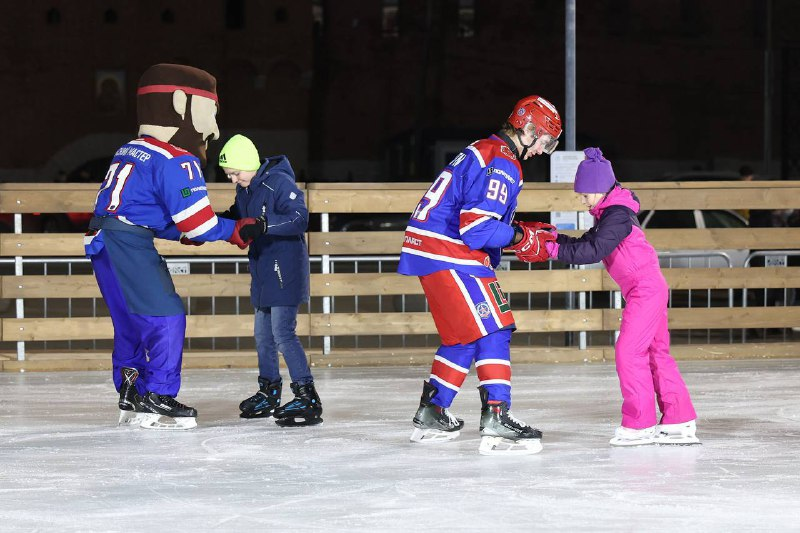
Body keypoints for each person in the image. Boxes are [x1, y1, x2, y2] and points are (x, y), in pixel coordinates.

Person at [85, 64, 263, 430]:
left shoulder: (130, 149)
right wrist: (233, 230)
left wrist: (186, 232)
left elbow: (144, 212)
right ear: (182, 105)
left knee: (131, 322)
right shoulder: (177, 159)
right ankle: (159, 394)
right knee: (166, 317)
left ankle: (131, 390)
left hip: (102, 241)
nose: (213, 129)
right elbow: (199, 223)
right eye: (210, 113)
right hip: (128, 244)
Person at [397, 95, 560, 455]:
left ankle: (433, 411)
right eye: (545, 140)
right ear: (528, 128)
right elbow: (477, 229)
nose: (542, 150)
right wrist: (520, 237)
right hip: (451, 252)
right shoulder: (503, 162)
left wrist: (515, 231)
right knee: (496, 327)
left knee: (464, 335)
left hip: (434, 250)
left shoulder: (486, 149)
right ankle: (497, 416)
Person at [545, 147, 699, 446]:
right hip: (646, 289)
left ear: (600, 188)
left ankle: (640, 425)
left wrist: (552, 250)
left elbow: (593, 251)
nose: (582, 199)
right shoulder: (611, 214)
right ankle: (679, 419)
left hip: (645, 290)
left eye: (585, 194)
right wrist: (553, 238)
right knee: (655, 353)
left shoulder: (616, 215)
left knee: (629, 352)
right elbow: (587, 242)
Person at [217, 134, 322, 427]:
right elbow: (238, 217)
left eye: (235, 173)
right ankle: (269, 391)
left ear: (248, 163)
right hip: (263, 270)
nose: (233, 180)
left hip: (285, 269)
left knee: (282, 334)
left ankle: (307, 395)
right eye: (229, 175)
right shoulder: (246, 189)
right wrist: (212, 224)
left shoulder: (279, 182)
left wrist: (264, 225)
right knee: (263, 336)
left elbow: (299, 219)